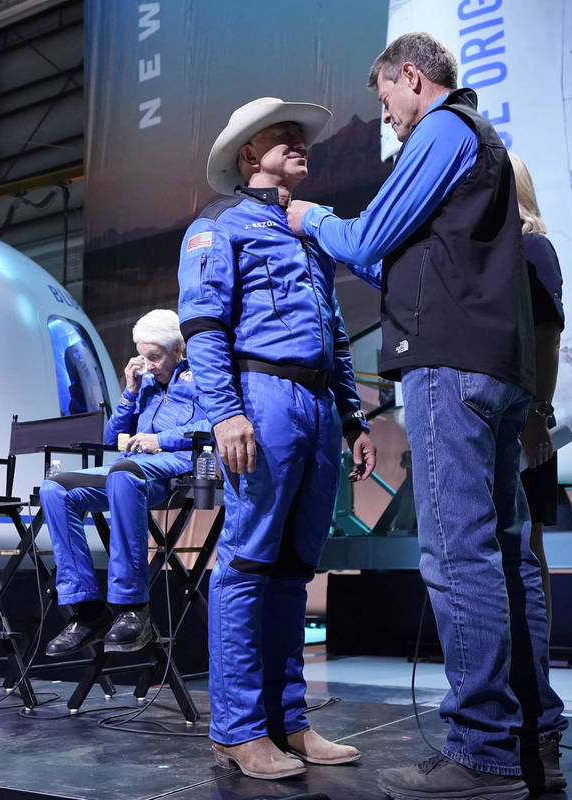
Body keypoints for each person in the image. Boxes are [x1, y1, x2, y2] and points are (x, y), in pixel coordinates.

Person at [286, 34, 567, 799]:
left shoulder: (443, 129)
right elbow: (399, 260)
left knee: (459, 553)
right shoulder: (478, 145)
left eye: (385, 100)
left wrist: (312, 219)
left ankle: (481, 751)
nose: (387, 117)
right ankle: (532, 738)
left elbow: (368, 236)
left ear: (411, 77)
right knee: (506, 554)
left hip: (451, 368)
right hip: (494, 370)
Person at [177, 97, 377, 780]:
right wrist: (225, 413)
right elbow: (203, 326)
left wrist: (352, 418)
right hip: (262, 400)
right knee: (248, 561)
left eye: (300, 136)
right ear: (247, 155)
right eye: (282, 136)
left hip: (316, 407)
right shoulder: (217, 226)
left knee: (294, 568)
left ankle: (289, 720)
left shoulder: (307, 229)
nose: (299, 143)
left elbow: (336, 335)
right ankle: (237, 729)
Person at [39, 309, 209, 656]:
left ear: (178, 349)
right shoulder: (143, 384)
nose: (149, 365)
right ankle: (87, 610)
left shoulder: (202, 376)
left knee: (123, 475)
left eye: (155, 357)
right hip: (131, 468)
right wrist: (129, 392)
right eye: (143, 357)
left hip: (176, 467)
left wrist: (159, 440)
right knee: (55, 488)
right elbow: (111, 438)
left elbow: (214, 424)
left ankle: (132, 607)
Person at [511, 151, 565, 626]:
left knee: (528, 545)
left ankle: (533, 659)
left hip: (525, 424)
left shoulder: (533, 250)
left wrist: (535, 416)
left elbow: (547, 339)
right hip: (505, 422)